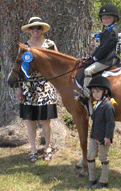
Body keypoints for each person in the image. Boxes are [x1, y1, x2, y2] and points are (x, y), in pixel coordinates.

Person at [17, 17, 58, 162]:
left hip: (45, 86)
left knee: (46, 119)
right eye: (33, 28)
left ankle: (47, 147)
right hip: (28, 87)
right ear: (29, 30)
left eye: (38, 28)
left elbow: (57, 63)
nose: (35, 30)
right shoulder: (24, 46)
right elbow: (20, 69)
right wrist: (19, 88)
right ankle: (33, 149)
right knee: (30, 120)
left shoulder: (50, 44)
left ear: (42, 30)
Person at [74, 4, 120, 105]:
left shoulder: (112, 32)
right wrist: (90, 56)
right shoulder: (106, 31)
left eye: (108, 18)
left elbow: (105, 48)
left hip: (108, 59)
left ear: (114, 19)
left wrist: (95, 58)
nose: (106, 20)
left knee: (88, 70)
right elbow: (99, 47)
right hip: (103, 57)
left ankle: (85, 95)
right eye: (104, 18)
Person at [85, 75, 115, 189]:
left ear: (105, 91)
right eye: (93, 92)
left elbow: (110, 123)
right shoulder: (96, 104)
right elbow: (94, 117)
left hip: (103, 138)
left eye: (98, 91)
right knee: (90, 156)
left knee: (103, 158)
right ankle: (92, 178)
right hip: (94, 136)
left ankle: (103, 180)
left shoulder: (108, 106)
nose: (95, 94)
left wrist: (108, 137)